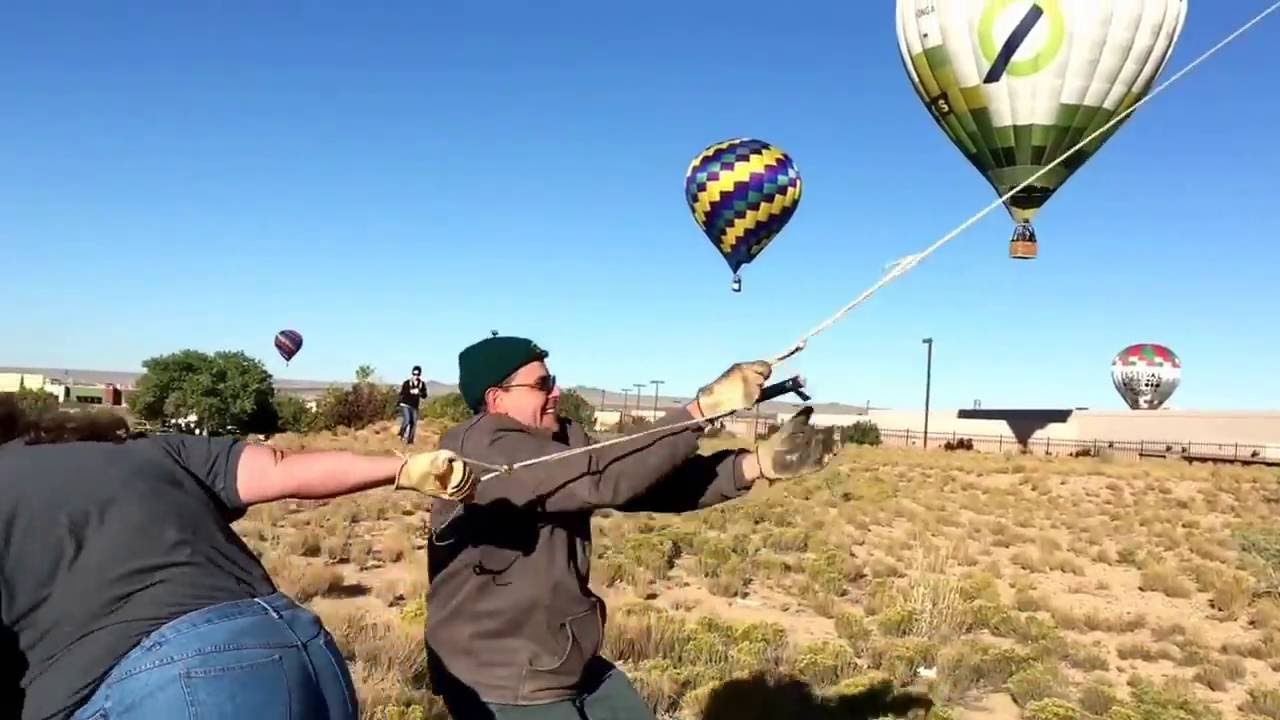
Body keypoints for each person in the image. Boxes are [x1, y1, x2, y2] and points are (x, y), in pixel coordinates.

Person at [424, 336, 832, 719]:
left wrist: (754, 465)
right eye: (542, 384)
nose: (557, 392)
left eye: (554, 380)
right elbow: (600, 475)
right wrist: (701, 411)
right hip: (498, 671)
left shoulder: (559, 440)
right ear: (497, 398)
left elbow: (643, 480)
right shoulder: (479, 449)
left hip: (560, 654)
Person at [0, 398, 469, 720]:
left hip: (171, 685)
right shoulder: (150, 448)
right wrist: (405, 468)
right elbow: (281, 468)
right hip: (301, 652)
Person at [398, 365, 429, 444]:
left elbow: (425, 395)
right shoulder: (407, 383)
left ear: (419, 374)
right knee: (407, 420)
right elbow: (402, 393)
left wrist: (419, 393)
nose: (416, 376)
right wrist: (410, 392)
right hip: (405, 404)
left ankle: (410, 441)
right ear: (412, 373)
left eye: (417, 374)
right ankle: (400, 434)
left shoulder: (422, 384)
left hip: (414, 406)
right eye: (414, 374)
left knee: (414, 423)